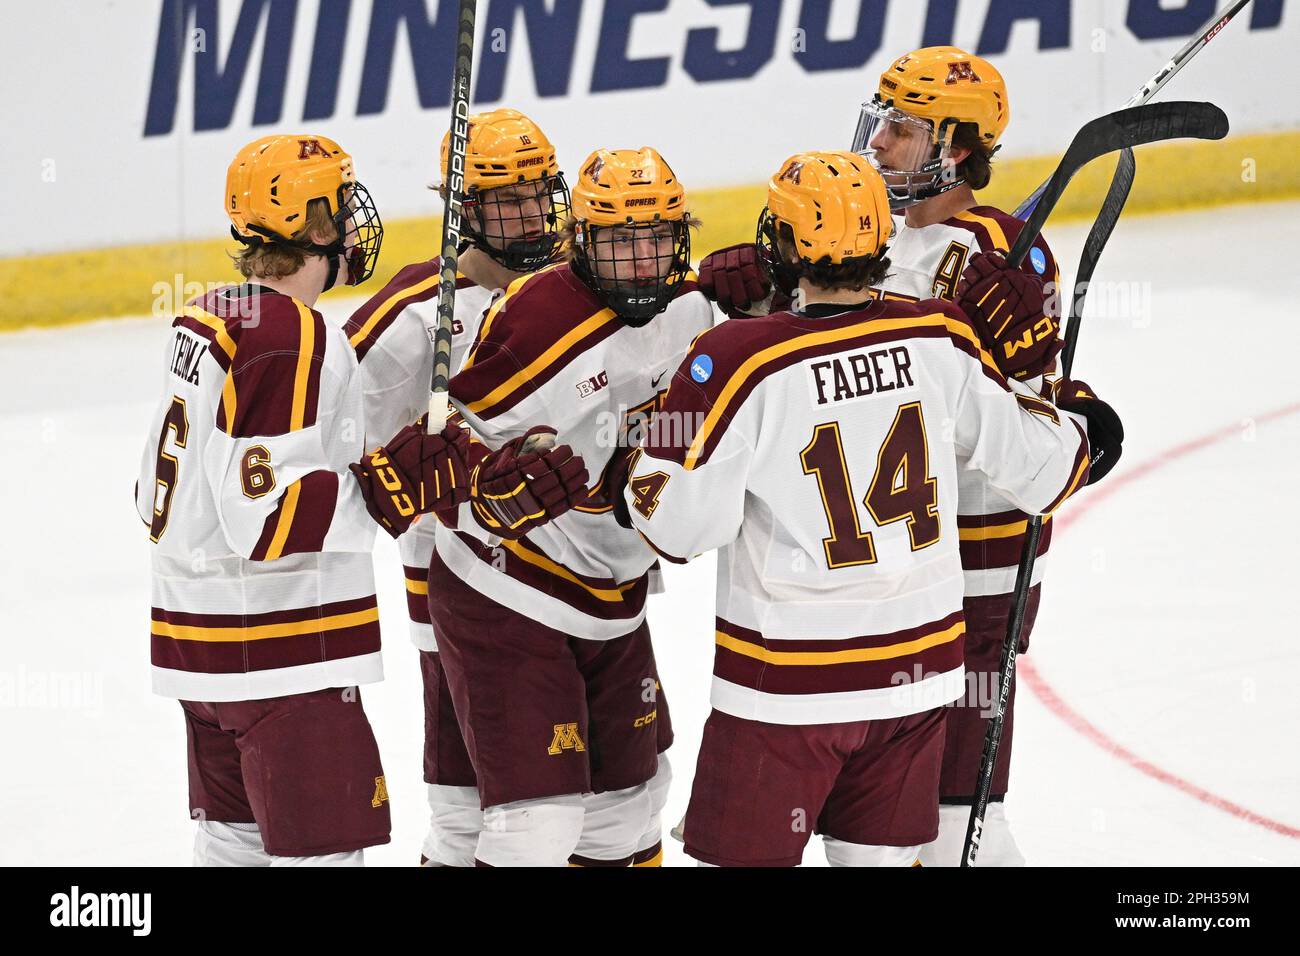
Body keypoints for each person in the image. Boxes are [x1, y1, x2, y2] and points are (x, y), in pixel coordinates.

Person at [621, 150, 1122, 866]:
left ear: (786, 246)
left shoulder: (738, 357)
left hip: (788, 688)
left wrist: (637, 474)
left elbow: (681, 528)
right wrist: (1075, 411)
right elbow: (1046, 470)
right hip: (915, 683)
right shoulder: (940, 335)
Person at [696, 47, 1068, 865]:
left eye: (901, 130)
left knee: (963, 815)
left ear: (956, 149)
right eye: (882, 122)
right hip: (891, 575)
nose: (880, 143)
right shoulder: (871, 229)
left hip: (977, 561)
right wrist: (760, 283)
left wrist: (1028, 351)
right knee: (892, 830)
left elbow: (1036, 423)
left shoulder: (1014, 255)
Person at [136, 134, 469, 865]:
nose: (354, 222)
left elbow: (152, 492)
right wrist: (386, 492)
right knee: (324, 855)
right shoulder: (294, 332)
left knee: (232, 846)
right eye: (341, 205)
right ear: (313, 226)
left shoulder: (207, 315)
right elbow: (264, 512)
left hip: (202, 654)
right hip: (280, 657)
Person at [427, 146, 714, 866]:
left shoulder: (694, 304)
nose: (644, 262)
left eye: (657, 239)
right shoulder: (538, 318)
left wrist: (767, 285)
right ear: (581, 241)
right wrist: (492, 491)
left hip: (613, 591)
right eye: (620, 241)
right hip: (508, 589)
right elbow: (446, 450)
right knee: (536, 827)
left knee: (633, 808)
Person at [344, 108, 572, 866]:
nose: (534, 212)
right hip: (464, 602)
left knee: (612, 808)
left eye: (541, 192)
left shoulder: (578, 287)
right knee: (470, 816)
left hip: (587, 589)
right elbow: (329, 446)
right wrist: (401, 475)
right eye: (510, 198)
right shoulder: (411, 319)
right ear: (463, 211)